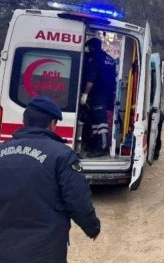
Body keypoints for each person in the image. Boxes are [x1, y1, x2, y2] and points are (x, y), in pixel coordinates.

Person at [0, 96, 101, 262]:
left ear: (25, 121)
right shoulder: (62, 155)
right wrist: (92, 227)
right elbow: (77, 198)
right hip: (45, 251)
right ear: (52, 123)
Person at [81, 37, 116, 158]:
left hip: (98, 94)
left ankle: (102, 147)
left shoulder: (94, 59)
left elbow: (91, 78)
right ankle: (96, 144)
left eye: (89, 48)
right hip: (108, 94)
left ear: (92, 47)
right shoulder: (110, 59)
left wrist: (85, 94)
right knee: (95, 122)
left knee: (101, 123)